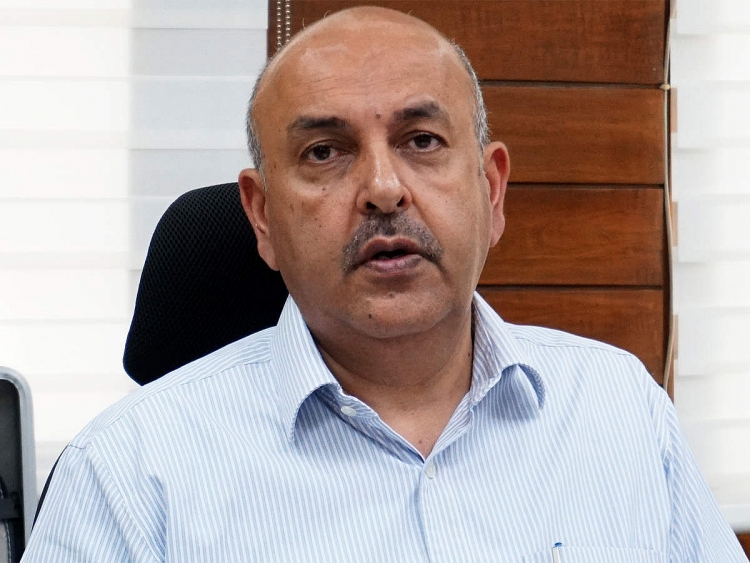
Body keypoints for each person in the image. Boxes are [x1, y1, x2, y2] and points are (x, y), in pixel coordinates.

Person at [23, 6, 748, 562]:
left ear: (491, 189)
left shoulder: (621, 413)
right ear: (263, 215)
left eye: (421, 140)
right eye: (325, 152)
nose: (382, 188)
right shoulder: (126, 475)